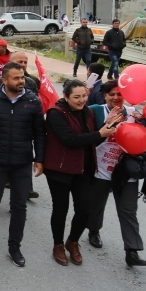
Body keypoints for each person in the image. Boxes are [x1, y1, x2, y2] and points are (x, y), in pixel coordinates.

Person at [0, 63, 46, 267]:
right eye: (15, 78)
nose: (20, 81)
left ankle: (14, 247)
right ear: (4, 80)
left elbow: (40, 133)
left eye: (22, 77)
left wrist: (39, 159)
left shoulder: (33, 101)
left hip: (22, 161)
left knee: (19, 205)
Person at [44, 80, 119, 266]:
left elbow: (93, 141)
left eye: (84, 96)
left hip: (84, 169)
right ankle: (58, 245)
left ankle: (73, 241)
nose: (81, 100)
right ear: (66, 96)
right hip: (60, 170)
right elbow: (69, 139)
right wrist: (99, 134)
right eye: (76, 97)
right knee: (60, 210)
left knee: (85, 210)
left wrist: (105, 128)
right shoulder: (56, 114)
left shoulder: (89, 112)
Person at [87, 80, 146, 266]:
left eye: (119, 94)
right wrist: (106, 124)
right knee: (96, 205)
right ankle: (93, 230)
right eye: (112, 94)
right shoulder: (95, 110)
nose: (116, 97)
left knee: (128, 210)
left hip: (126, 171)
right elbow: (88, 137)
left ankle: (132, 251)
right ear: (105, 95)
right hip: (100, 168)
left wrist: (143, 120)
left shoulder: (133, 112)